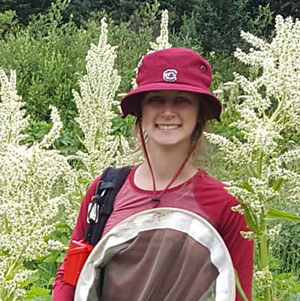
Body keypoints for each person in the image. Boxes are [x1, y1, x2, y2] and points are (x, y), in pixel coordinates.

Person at [52, 47, 253, 300]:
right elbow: (70, 278)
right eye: (156, 99)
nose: (168, 111)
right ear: (141, 112)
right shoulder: (105, 191)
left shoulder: (228, 203)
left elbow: (237, 292)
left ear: (199, 112)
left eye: (182, 100)